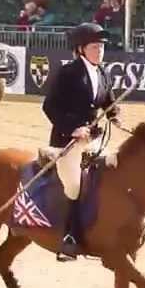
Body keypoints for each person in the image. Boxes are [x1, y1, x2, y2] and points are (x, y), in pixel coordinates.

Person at [42, 22, 121, 261]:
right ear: (81, 49)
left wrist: (114, 114)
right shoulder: (68, 73)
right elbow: (49, 106)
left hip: (93, 141)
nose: (100, 51)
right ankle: (69, 238)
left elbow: (108, 100)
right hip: (67, 142)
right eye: (95, 47)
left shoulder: (103, 73)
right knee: (75, 187)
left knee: (111, 171)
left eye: (102, 47)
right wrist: (73, 129)